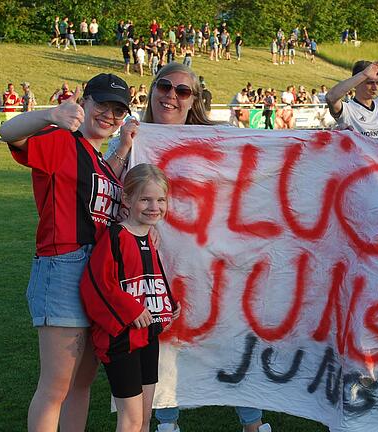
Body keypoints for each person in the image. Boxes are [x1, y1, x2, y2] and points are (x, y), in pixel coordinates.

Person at [103, 61, 271, 432]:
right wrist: (126, 146)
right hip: (150, 262)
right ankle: (166, 420)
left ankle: (253, 422)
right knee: (161, 339)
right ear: (152, 89)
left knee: (229, 334)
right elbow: (104, 187)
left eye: (183, 91)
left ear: (194, 100)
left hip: (212, 261)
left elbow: (259, 168)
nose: (171, 97)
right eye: (165, 87)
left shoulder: (213, 137)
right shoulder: (132, 137)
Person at [0, 73, 132, 431]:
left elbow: (102, 184)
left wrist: (121, 148)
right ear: (84, 102)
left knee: (82, 383)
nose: (109, 115)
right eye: (102, 105)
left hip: (95, 273)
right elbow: (8, 132)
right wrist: (50, 115)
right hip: (64, 265)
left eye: (117, 110)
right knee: (56, 385)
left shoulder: (97, 156)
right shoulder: (61, 140)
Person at [80, 163, 180, 432]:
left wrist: (167, 305)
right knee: (131, 420)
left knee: (145, 419)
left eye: (160, 200)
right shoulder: (116, 237)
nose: (154, 206)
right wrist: (131, 310)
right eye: (145, 199)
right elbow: (96, 285)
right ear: (127, 199)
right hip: (120, 342)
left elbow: (150, 279)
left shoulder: (150, 237)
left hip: (147, 338)